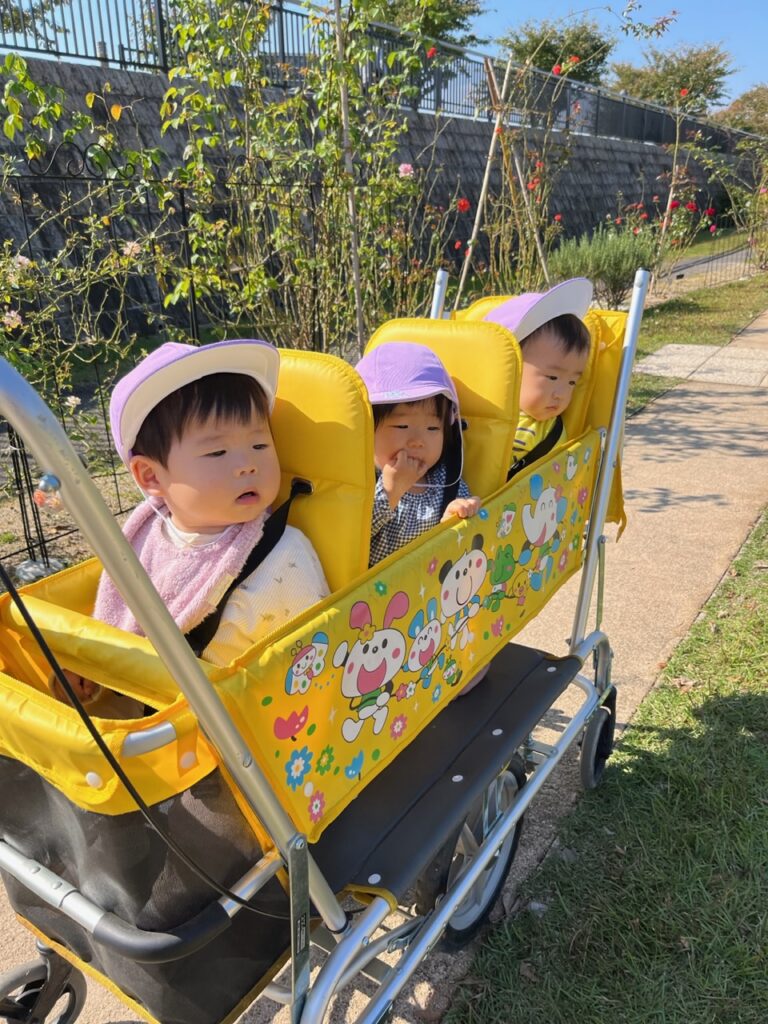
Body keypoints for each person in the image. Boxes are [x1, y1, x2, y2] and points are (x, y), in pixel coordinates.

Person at [52, 339, 329, 714]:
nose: (248, 464)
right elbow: (120, 622)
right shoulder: (147, 538)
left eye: (261, 445)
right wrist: (89, 670)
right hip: (161, 725)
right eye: (217, 451)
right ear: (151, 476)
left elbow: (318, 660)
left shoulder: (284, 557)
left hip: (246, 734)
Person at [355, 341, 482, 567]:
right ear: (365, 429)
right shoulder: (360, 484)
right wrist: (390, 493)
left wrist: (455, 516)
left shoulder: (446, 482)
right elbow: (349, 543)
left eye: (433, 429)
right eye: (402, 427)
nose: (417, 441)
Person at [484, 278, 593, 472]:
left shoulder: (545, 430)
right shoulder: (475, 413)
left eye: (572, 382)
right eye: (552, 378)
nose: (561, 394)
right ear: (509, 370)